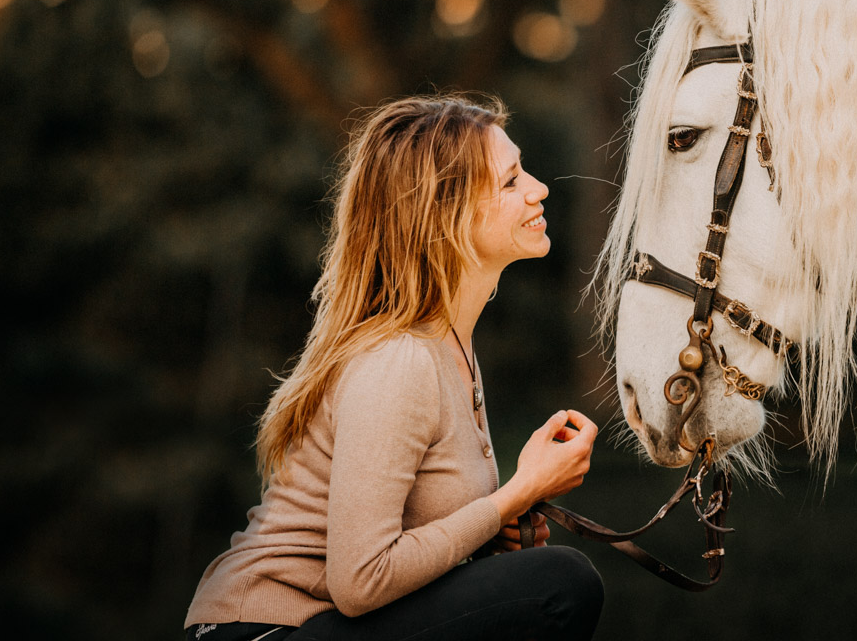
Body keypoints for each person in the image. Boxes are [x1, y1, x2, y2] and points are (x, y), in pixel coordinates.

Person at [184, 95, 603, 641]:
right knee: (559, 584)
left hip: (322, 629)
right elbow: (360, 580)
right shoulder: (399, 361)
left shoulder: (453, 346)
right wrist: (515, 496)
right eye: (509, 181)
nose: (538, 188)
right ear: (443, 214)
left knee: (535, 581)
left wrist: (495, 529)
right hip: (261, 631)